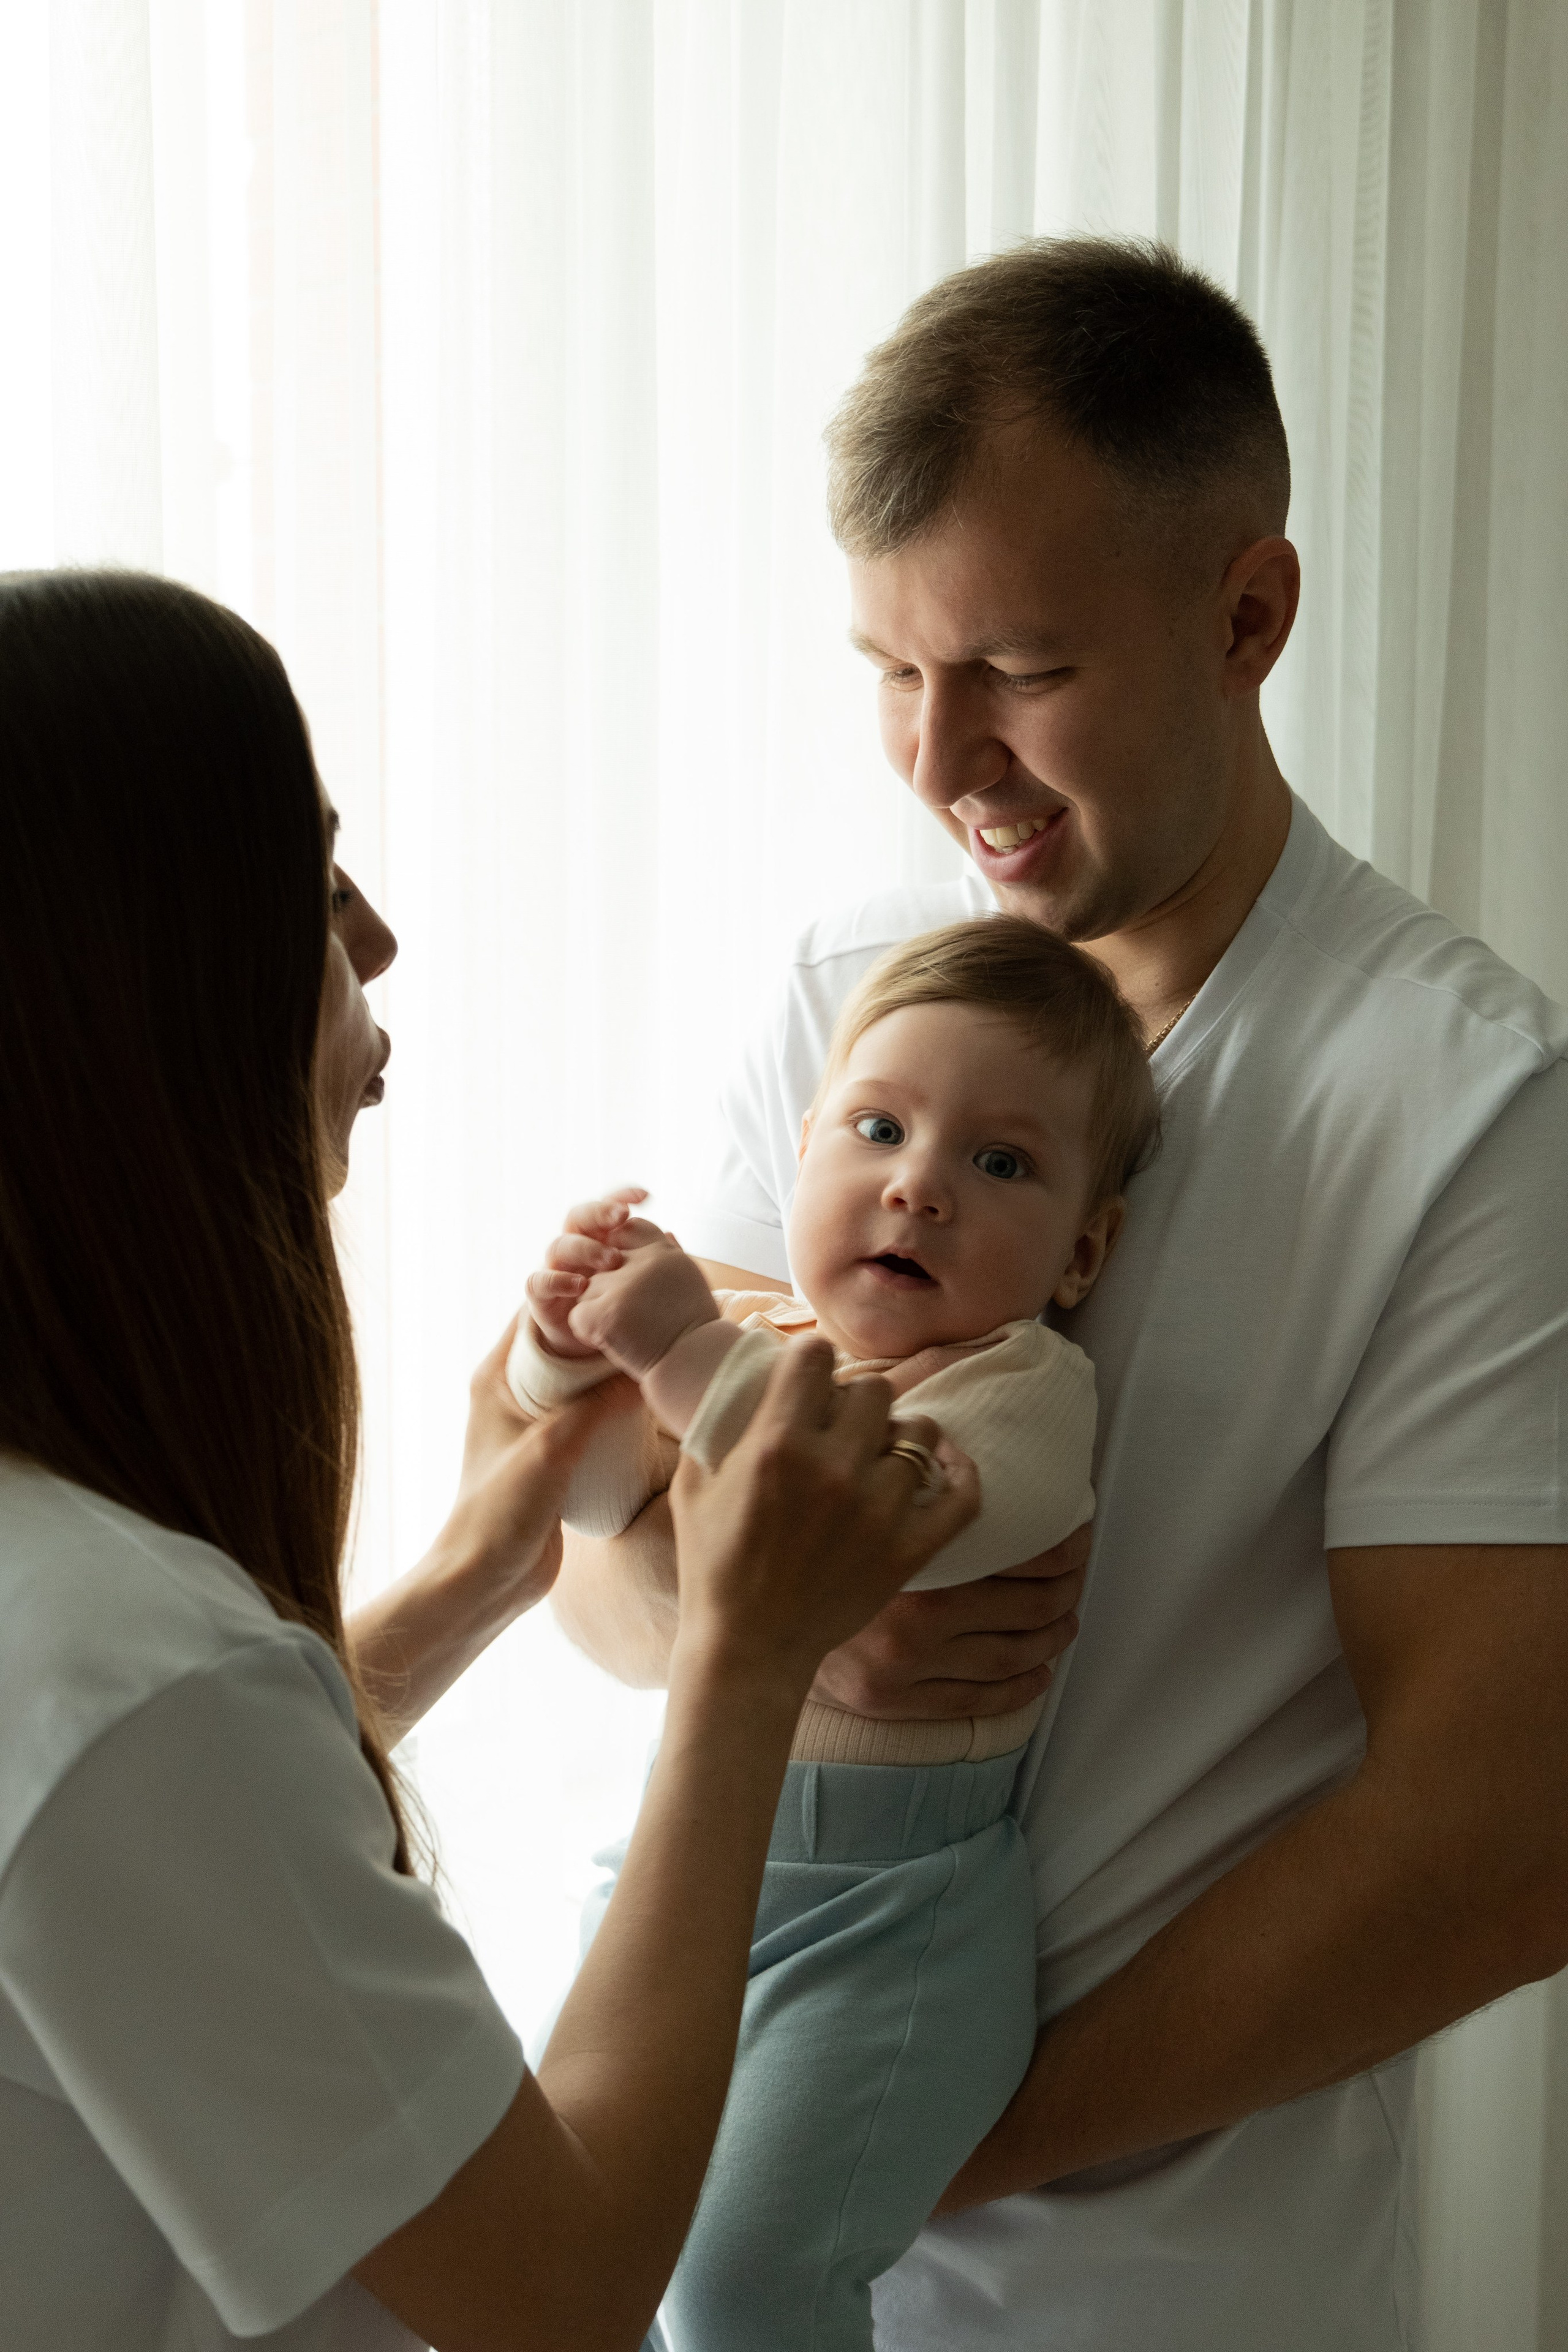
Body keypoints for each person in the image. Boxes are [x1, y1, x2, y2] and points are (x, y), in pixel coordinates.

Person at [548, 237, 1568, 2348]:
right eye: (891, 670)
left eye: (1017, 668)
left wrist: (899, 2144)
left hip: (1157, 2284)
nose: (942, 759)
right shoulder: (857, 1001)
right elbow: (614, 1558)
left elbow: (1509, 1823)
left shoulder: (1468, 1112)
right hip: (715, 2156)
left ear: (1249, 616)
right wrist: (787, 1665)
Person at [0, 568, 979, 2352]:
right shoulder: (135, 1681)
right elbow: (555, 2291)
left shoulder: (72, 1614)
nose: (373, 943)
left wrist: (467, 1584)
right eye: (311, 877)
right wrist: (747, 1659)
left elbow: (117, 1866)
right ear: (148, 978)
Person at [508, 919, 1158, 2350]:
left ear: (1078, 1253)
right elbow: (601, 1503)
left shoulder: (1020, 1387)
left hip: (891, 1922)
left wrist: (680, 1356)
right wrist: (563, 1345)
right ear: (801, 1153)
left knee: (744, 2283)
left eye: (999, 1164)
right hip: (680, 1869)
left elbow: (885, 1512)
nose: (917, 1186)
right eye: (877, 1129)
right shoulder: (775, 1345)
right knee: (562, 2223)